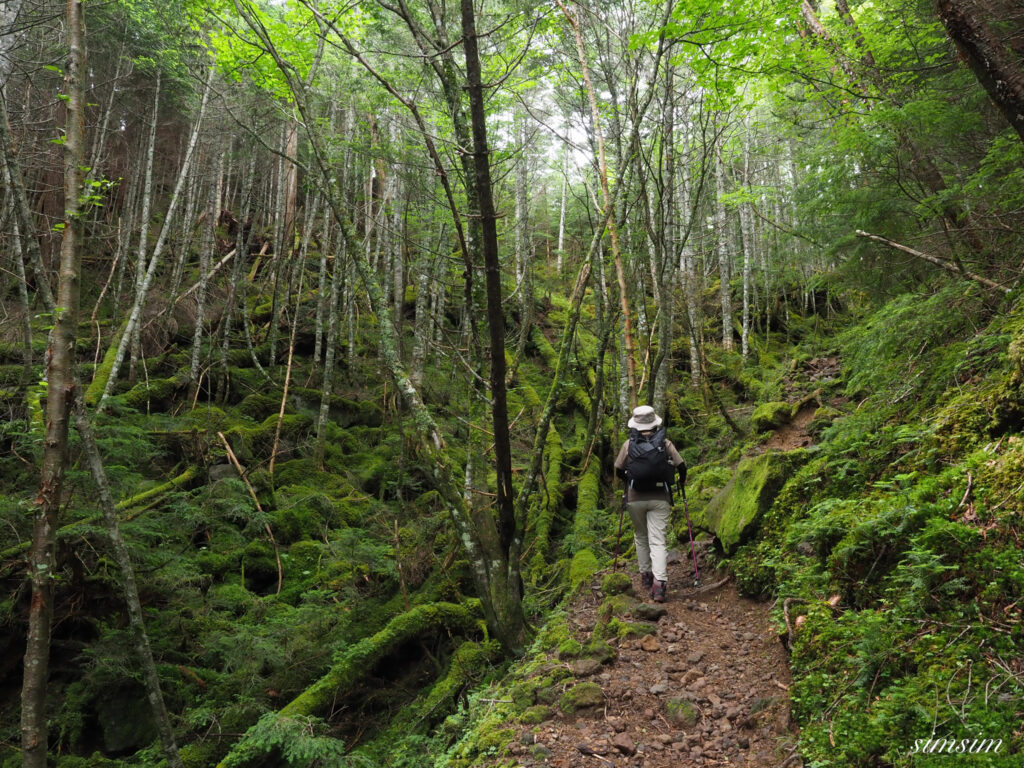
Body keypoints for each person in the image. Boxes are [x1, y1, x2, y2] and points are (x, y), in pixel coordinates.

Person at [614, 405, 687, 602]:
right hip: (659, 498)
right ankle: (660, 584)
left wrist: (629, 479)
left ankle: (646, 576)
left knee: (640, 536)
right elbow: (681, 465)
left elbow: (618, 469)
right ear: (654, 423)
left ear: (636, 425)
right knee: (658, 540)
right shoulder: (665, 443)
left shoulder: (628, 445)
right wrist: (681, 481)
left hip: (635, 497)